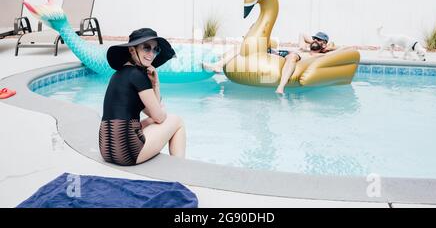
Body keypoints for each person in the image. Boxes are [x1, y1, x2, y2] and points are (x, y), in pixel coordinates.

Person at [100, 28, 186, 166]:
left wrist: (155, 84)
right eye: (146, 48)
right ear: (132, 50)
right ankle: (180, 168)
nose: (151, 54)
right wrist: (156, 87)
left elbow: (152, 112)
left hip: (106, 149)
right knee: (177, 121)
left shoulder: (117, 75)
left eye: (155, 49)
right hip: (127, 152)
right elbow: (159, 117)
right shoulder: (138, 76)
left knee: (151, 120)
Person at [203, 31, 336, 94]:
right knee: (246, 46)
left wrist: (327, 47)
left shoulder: (316, 54)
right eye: (314, 39)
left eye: (319, 40)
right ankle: (219, 65)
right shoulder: (304, 47)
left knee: (292, 57)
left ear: (324, 44)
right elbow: (302, 34)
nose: (315, 41)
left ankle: (281, 87)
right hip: (279, 53)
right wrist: (313, 42)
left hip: (292, 57)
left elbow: (341, 49)